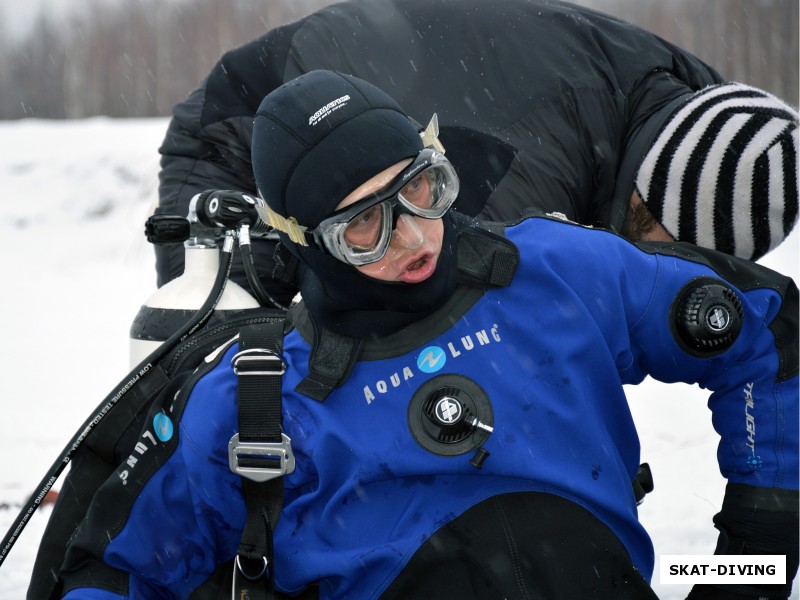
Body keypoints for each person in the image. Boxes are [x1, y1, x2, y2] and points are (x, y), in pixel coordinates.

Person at [59, 70, 797, 599]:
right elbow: (119, 570)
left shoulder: (559, 272)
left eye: (421, 187)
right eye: (363, 226)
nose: (415, 237)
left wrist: (750, 566)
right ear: (306, 241)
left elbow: (773, 338)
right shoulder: (258, 404)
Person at [154, 0, 799, 307]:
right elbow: (464, 315)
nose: (660, 260)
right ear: (647, 184)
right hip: (238, 130)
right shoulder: (533, 159)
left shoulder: (708, 111)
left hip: (379, 140)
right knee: (235, 351)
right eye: (663, 239)